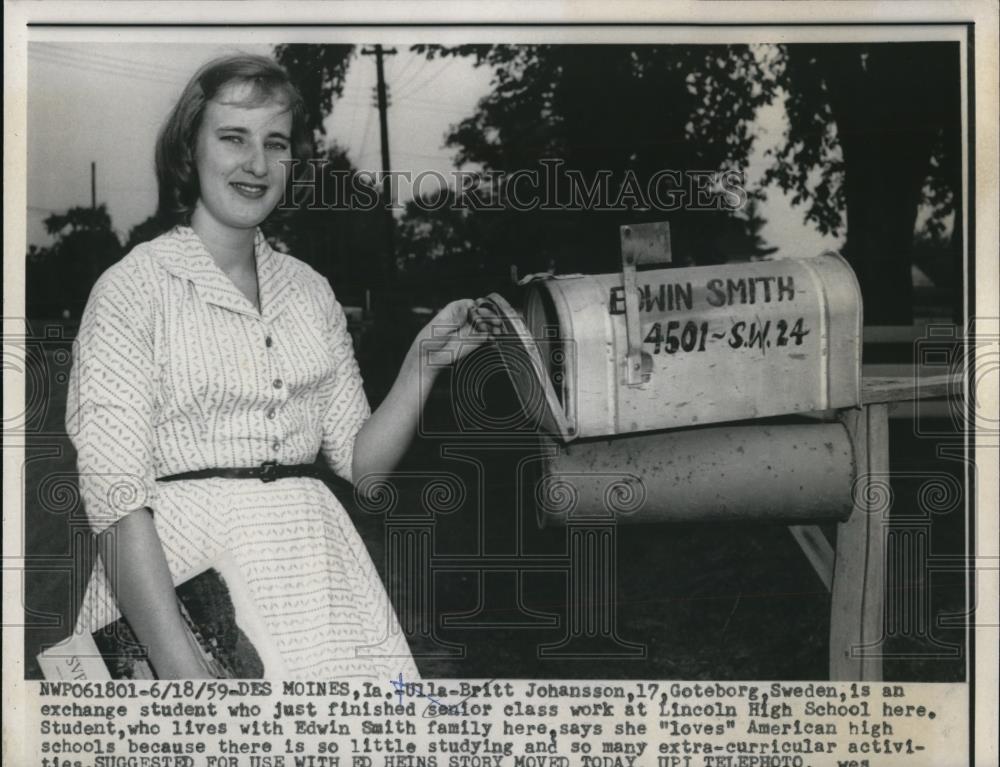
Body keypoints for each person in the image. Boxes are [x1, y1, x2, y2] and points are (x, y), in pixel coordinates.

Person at [66, 53, 495, 679]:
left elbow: (361, 464)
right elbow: (117, 503)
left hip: (318, 589)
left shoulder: (311, 291)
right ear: (191, 148)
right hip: (179, 592)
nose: (257, 164)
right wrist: (182, 669)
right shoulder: (132, 289)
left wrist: (424, 363)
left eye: (276, 143)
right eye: (233, 138)